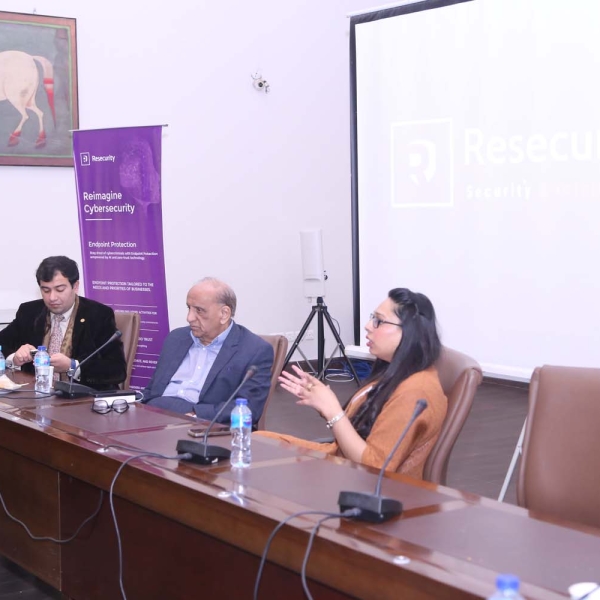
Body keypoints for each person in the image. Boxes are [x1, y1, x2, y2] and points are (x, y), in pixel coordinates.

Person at [257, 288, 447, 479]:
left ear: (409, 332)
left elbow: (374, 467)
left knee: (257, 451)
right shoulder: (394, 371)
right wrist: (323, 402)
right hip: (344, 463)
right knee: (256, 441)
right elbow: (362, 427)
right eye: (372, 318)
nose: (368, 326)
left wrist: (333, 411)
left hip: (364, 483)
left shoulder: (415, 391)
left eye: (379, 321)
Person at [142, 278, 273, 424]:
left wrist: (194, 416)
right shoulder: (176, 338)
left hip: (201, 423)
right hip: (155, 414)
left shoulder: (254, 350)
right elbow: (152, 390)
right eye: (189, 308)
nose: (189, 318)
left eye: (199, 310)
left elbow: (249, 408)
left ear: (224, 314)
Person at [0, 256, 126, 390]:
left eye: (59, 290)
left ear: (75, 286)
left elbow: (117, 369)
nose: (52, 298)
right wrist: (14, 358)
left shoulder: (98, 315)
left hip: (82, 398)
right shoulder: (29, 312)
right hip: (35, 395)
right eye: (46, 290)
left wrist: (73, 366)